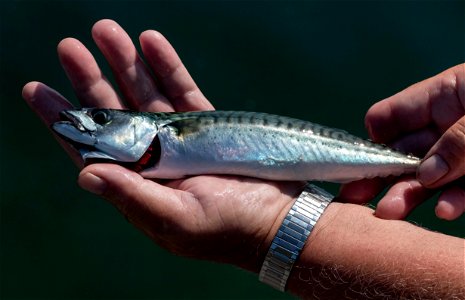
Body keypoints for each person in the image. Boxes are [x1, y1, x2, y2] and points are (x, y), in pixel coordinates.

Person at [22, 19, 464, 299]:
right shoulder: (162, 135)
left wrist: (272, 232)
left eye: (101, 119)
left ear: (143, 126)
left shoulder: (169, 127)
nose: (91, 124)